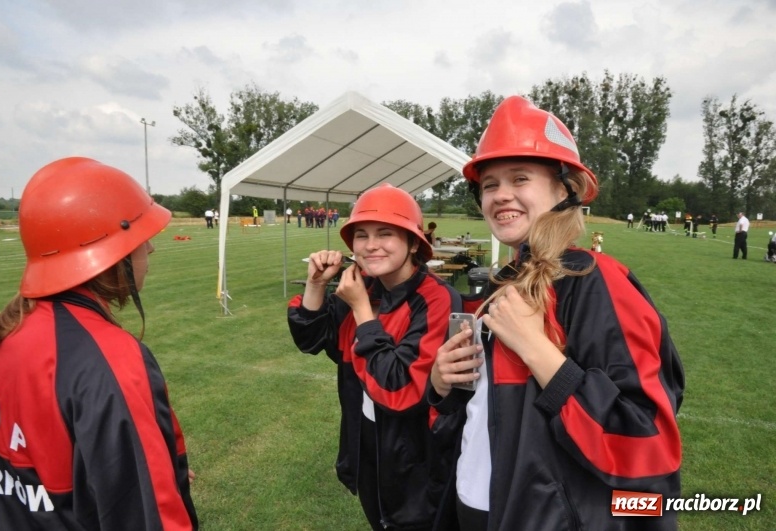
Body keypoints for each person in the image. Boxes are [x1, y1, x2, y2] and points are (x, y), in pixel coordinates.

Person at [428, 96, 684, 530]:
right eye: (489, 184)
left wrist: (535, 347)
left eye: (520, 178)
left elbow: (646, 441)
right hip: (476, 506)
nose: (501, 195)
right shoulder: (502, 282)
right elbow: (488, 412)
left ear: (565, 190)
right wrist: (442, 384)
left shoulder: (595, 280)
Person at [0, 157, 198, 530]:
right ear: (115, 254)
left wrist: (147, 466)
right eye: (142, 240)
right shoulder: (110, 360)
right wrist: (145, 481)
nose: (152, 251)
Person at [287, 184, 461, 531]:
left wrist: (363, 312)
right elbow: (310, 339)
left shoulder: (436, 300)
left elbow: (401, 391)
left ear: (414, 243)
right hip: (367, 445)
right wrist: (317, 285)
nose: (370, 245)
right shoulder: (362, 286)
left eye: (385, 234)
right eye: (361, 235)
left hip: (415, 461)